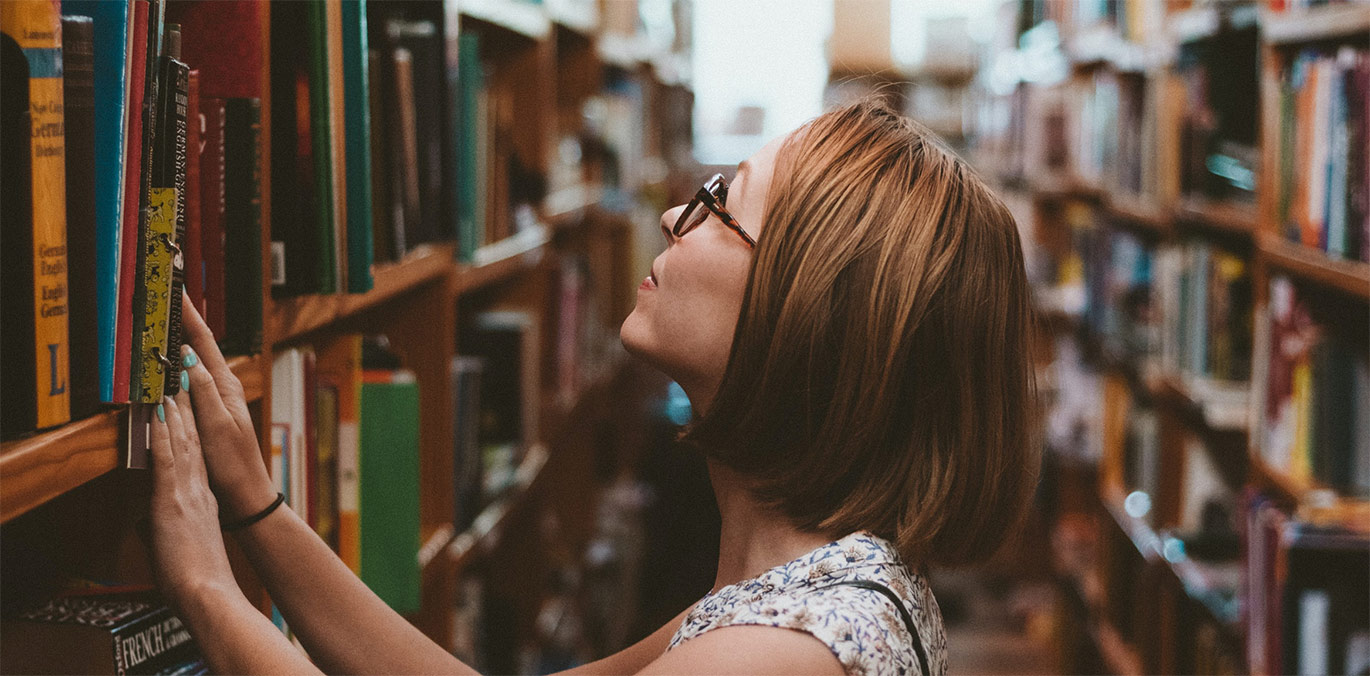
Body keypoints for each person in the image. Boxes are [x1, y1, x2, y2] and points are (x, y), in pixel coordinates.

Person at [150, 99, 1039, 675]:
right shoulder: (799, 590)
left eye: (720, 202)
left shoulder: (775, 653)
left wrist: (204, 590)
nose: (671, 216)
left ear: (806, 310)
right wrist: (258, 511)